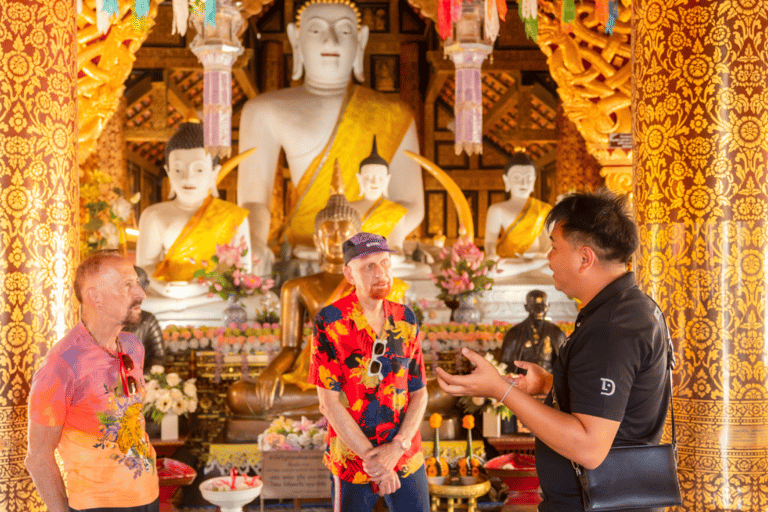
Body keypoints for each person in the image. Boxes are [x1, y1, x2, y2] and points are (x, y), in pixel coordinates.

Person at [438, 191, 672, 512]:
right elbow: (615, 402)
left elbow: (589, 448)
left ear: (585, 258)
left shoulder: (612, 327)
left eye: (555, 247)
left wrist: (500, 389)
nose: (547, 257)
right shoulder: (628, 308)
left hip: (597, 505)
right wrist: (548, 384)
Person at [238, 0, 424, 257]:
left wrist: (357, 238)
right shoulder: (263, 111)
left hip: (372, 252)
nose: (331, 41)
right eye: (316, 30)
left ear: (361, 41)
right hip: (305, 250)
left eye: (345, 31)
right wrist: (256, 243)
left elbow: (411, 204)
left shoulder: (395, 113)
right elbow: (253, 202)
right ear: (296, 39)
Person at [26, 251, 159, 512]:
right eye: (127, 285)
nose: (141, 294)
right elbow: (38, 458)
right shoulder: (62, 364)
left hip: (148, 496)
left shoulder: (132, 346)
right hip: (98, 506)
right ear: (95, 297)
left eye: (137, 283)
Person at [309, 232, 430, 511]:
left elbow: (420, 392)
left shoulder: (405, 319)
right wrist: (375, 462)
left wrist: (396, 448)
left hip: (404, 454)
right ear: (349, 274)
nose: (381, 273)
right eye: (369, 266)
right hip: (353, 460)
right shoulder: (330, 321)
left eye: (385, 263)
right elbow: (328, 403)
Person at [136, 121, 252, 299]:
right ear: (168, 172)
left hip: (214, 299)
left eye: (199, 169)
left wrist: (200, 289)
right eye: (178, 169)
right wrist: (165, 289)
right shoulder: (153, 216)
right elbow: (144, 269)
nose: (188, 177)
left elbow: (244, 270)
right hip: (168, 296)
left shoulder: (234, 216)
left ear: (214, 172)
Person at [484, 153, 552, 260]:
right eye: (517, 178)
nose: (523, 183)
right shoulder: (496, 210)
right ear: (506, 180)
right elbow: (489, 242)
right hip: (508, 262)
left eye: (528, 178)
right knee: (495, 266)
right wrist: (491, 255)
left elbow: (550, 241)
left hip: (537, 261)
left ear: (534, 180)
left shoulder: (544, 208)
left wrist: (544, 255)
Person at [349, 136, 409, 248]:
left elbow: (396, 248)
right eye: (368, 177)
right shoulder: (347, 209)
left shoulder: (395, 212)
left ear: (387, 180)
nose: (374, 182)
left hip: (383, 260)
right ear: (359, 179)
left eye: (380, 178)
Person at [498, 290, 566, 374]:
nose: (539, 310)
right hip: (522, 382)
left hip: (550, 382)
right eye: (535, 306)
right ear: (526, 307)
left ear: (548, 306)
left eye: (542, 306)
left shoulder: (557, 333)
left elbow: (565, 364)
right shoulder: (514, 333)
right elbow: (505, 365)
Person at [126, 266, 166, 369]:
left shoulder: (148, 320)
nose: (139, 295)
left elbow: (159, 357)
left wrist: (141, 377)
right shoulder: (110, 319)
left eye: (141, 287)